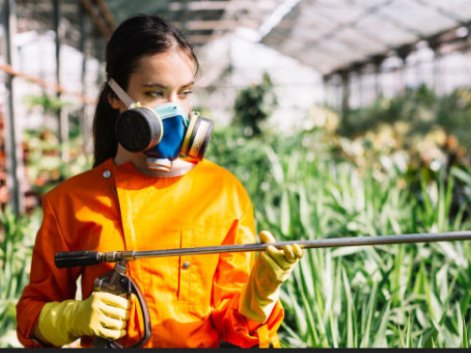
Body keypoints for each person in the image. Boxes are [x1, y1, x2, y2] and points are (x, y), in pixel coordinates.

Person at [16, 14, 303, 348]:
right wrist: (71, 317)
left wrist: (260, 294)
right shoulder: (72, 200)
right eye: (155, 93)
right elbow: (30, 314)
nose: (175, 111)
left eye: (184, 93)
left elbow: (236, 329)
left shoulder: (221, 192)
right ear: (115, 97)